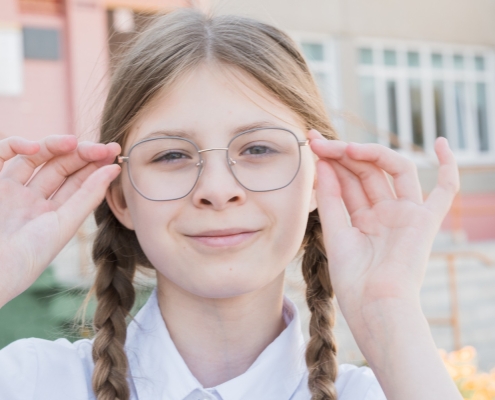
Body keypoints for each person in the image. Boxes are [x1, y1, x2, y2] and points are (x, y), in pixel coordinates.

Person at [0, 8, 462, 400]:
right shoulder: (33, 382)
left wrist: (389, 310)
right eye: (172, 155)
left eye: (258, 149)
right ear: (120, 197)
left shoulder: (392, 389)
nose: (218, 190)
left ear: (319, 179)